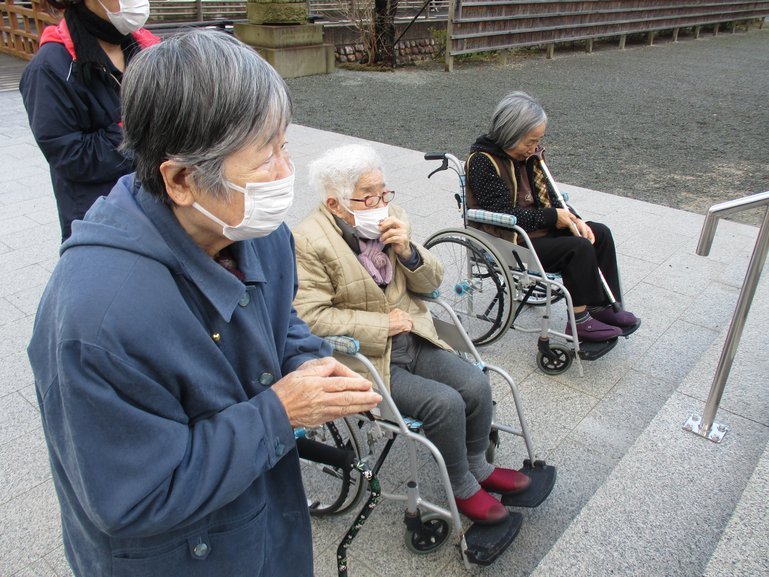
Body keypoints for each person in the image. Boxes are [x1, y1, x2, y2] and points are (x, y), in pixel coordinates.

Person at [26, 30, 381, 577]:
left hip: (264, 522)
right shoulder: (98, 321)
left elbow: (279, 317)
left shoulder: (254, 230)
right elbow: (135, 495)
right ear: (183, 179)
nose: (286, 175)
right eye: (265, 160)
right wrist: (280, 412)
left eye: (284, 145)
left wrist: (309, 364)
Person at [292, 143, 531, 526]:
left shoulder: (392, 219)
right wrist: (380, 325)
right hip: (367, 357)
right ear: (336, 205)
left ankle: (477, 467)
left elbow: (431, 283)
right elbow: (309, 316)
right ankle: (461, 486)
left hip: (414, 339)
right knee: (445, 404)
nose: (380, 202)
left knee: (475, 384)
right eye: (368, 196)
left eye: (384, 191)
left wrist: (408, 252)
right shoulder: (308, 240)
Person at [466, 91, 640, 342]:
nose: (535, 148)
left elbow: (552, 196)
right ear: (509, 134)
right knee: (577, 248)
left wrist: (573, 218)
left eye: (538, 140)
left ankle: (600, 307)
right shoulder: (483, 161)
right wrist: (552, 218)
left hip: (537, 229)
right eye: (529, 141)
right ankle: (578, 321)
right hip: (509, 237)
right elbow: (502, 214)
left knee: (598, 233)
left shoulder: (530, 157)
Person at [20, 0, 159, 241]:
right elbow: (70, 155)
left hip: (157, 209)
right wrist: (145, 130)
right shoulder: (51, 67)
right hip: (100, 219)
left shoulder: (146, 49)